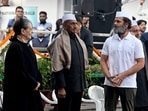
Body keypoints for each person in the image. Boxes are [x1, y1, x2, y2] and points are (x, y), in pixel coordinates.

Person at [100, 11, 145, 111]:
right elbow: (103, 60)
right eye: (115, 21)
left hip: (128, 83)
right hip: (110, 82)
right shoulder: (109, 41)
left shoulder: (136, 42)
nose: (115, 23)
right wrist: (108, 76)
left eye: (118, 21)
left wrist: (122, 75)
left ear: (127, 24)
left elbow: (141, 63)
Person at [47, 13, 89, 111]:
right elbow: (57, 65)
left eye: (76, 23)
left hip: (78, 85)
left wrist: (82, 87)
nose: (75, 26)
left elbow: (81, 65)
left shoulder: (78, 40)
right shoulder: (59, 40)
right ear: (64, 26)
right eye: (71, 24)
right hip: (66, 85)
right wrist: (61, 87)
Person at [2, 18, 44, 111]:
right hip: (20, 94)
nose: (32, 32)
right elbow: (18, 71)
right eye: (30, 29)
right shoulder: (15, 47)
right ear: (23, 31)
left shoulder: (27, 46)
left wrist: (38, 81)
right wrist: (33, 83)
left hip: (31, 91)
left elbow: (34, 66)